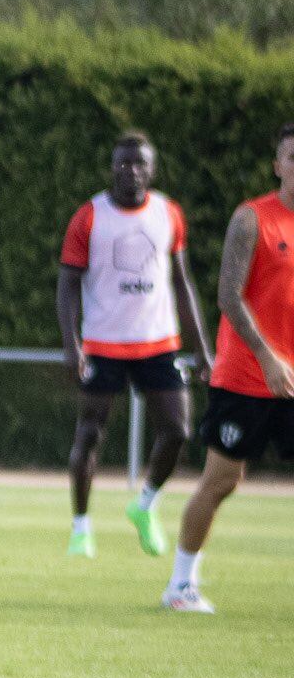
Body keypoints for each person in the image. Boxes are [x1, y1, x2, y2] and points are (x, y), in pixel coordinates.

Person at [56, 131, 209, 558]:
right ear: (112, 167)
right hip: (104, 345)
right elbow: (67, 284)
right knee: (90, 434)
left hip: (158, 343)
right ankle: (81, 528)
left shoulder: (168, 213)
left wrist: (203, 351)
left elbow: (182, 283)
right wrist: (73, 346)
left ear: (153, 169)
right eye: (123, 163)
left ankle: (144, 506)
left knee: (178, 430)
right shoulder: (89, 216)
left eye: (140, 163)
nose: (132, 170)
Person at [163, 123, 294, 613]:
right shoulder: (252, 219)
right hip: (247, 376)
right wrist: (268, 357)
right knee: (222, 480)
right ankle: (180, 585)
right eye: (291, 157)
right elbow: (228, 297)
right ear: (278, 165)